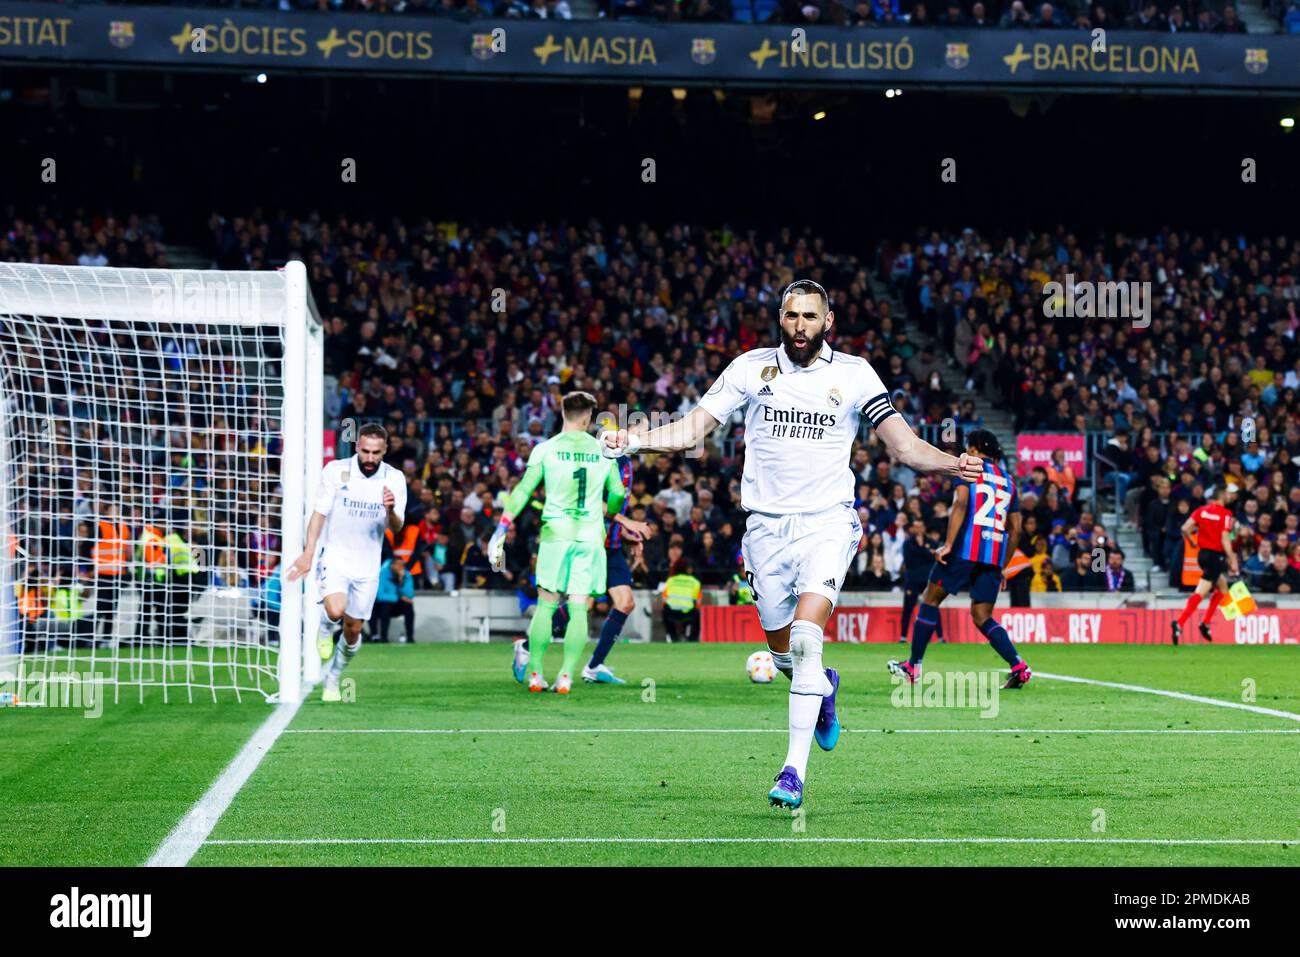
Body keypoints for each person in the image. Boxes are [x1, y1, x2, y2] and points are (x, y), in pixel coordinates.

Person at [601, 278, 983, 810]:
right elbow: (692, 430)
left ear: (828, 322)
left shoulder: (853, 376)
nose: (799, 326)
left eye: (809, 317)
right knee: (786, 658)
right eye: (791, 316)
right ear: (780, 318)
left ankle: (792, 773)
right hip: (764, 531)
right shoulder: (749, 368)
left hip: (827, 523)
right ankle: (823, 689)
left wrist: (952, 463)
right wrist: (634, 439)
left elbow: (904, 446)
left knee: (806, 636)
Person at [488, 391, 625, 694]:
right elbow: (617, 494)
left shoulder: (545, 449)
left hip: (555, 534)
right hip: (589, 535)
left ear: (563, 413)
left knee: (546, 604)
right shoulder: (604, 450)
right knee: (578, 607)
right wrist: (610, 514)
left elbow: (524, 490)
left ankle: (536, 673)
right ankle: (565, 676)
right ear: (589, 418)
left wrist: (502, 526)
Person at [888, 430, 1033, 690]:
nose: (966, 451)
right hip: (992, 557)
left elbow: (961, 504)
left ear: (976, 448)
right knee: (982, 616)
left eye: (968, 447)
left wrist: (948, 545)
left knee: (930, 600)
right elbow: (1017, 528)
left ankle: (913, 666)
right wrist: (1002, 566)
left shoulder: (969, 468)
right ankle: (1018, 665)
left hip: (965, 550)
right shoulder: (1009, 481)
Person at [286, 423, 407, 701]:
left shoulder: (395, 479)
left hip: (368, 565)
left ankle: (334, 677)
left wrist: (390, 511)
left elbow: (397, 527)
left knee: (353, 630)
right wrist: (308, 552)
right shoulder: (336, 470)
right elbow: (319, 514)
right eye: (365, 451)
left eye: (376, 452)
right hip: (336, 556)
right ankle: (326, 627)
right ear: (356, 447)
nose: (369, 458)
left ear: (384, 451)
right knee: (336, 610)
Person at [511, 453, 652, 686]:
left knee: (625, 603)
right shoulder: (600, 459)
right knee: (582, 604)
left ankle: (595, 666)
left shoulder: (627, 464)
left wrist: (627, 536)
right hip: (590, 543)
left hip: (612, 546)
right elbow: (592, 500)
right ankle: (526, 647)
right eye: (640, 430)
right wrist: (628, 522)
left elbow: (611, 510)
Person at [1171, 485, 1238, 644]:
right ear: (1222, 496)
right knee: (1201, 591)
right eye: (1229, 494)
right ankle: (1179, 623)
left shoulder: (1202, 511)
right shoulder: (1226, 514)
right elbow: (1224, 538)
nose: (1230, 497)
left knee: (1222, 587)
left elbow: (1185, 528)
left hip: (1202, 556)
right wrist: (1232, 559)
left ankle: (1205, 623)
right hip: (1216, 556)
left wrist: (1192, 544)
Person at [899, 518, 944, 644]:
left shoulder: (931, 542)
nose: (918, 529)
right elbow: (909, 560)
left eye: (920, 526)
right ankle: (903, 637)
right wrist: (926, 551)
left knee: (933, 606)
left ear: (924, 528)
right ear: (913, 528)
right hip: (912, 579)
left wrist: (922, 551)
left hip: (928, 580)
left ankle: (940, 637)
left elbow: (934, 559)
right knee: (908, 608)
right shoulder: (908, 543)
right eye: (916, 527)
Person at [373, 556, 416, 643]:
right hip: (382, 605)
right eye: (398, 565)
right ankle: (383, 638)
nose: (400, 567)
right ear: (392, 565)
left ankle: (410, 637)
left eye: (402, 565)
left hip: (397, 604)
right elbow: (379, 595)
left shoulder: (406, 575)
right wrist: (399, 597)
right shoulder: (383, 574)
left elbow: (409, 595)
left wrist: (401, 581)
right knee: (386, 606)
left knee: (408, 607)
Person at [659, 558, 703, 642]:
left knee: (664, 611)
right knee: (697, 613)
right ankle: (692, 639)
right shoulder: (695, 582)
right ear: (688, 569)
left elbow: (664, 600)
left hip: (671, 613)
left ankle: (673, 637)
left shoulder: (670, 580)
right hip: (688, 614)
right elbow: (698, 603)